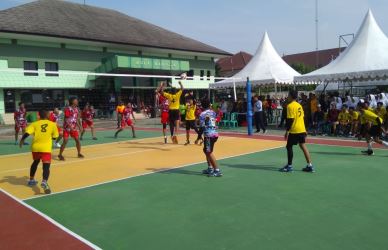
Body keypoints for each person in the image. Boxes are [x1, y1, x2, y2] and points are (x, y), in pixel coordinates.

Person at [19, 109, 59, 194]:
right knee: (46, 166)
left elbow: (27, 133)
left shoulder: (34, 124)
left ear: (39, 115)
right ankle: (44, 181)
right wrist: (49, 137)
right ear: (47, 115)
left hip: (35, 148)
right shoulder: (52, 124)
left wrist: (22, 140)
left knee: (35, 162)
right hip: (46, 148)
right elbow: (55, 137)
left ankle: (31, 179)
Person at [280, 90, 314, 173]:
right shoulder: (299, 105)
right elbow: (302, 118)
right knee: (303, 146)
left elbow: (290, 120)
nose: (287, 97)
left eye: (288, 95)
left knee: (289, 146)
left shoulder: (290, 106)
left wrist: (287, 131)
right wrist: (305, 129)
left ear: (291, 96)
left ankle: (289, 166)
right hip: (301, 129)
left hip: (294, 130)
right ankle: (310, 165)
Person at [198, 99, 222, 177]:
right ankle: (210, 168)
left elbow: (201, 127)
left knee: (209, 152)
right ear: (209, 105)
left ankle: (217, 170)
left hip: (209, 135)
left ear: (202, 106)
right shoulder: (213, 112)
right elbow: (214, 120)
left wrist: (199, 136)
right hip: (214, 134)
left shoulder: (202, 114)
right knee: (205, 150)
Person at [160, 77, 184, 144]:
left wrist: (162, 86)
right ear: (175, 91)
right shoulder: (177, 95)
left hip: (171, 111)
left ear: (171, 91)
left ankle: (171, 135)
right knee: (177, 123)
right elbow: (182, 88)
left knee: (171, 124)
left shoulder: (169, 95)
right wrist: (180, 83)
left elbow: (161, 92)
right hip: (176, 110)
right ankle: (175, 134)